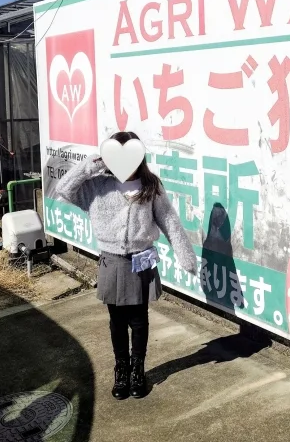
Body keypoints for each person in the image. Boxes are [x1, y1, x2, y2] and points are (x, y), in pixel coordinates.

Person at [55, 131, 197, 400]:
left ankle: (137, 369)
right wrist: (90, 165)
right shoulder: (97, 186)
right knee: (117, 320)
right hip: (112, 260)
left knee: (139, 319)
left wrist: (184, 254)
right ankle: (121, 367)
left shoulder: (149, 184)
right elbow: (64, 188)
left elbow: (169, 220)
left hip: (141, 259)